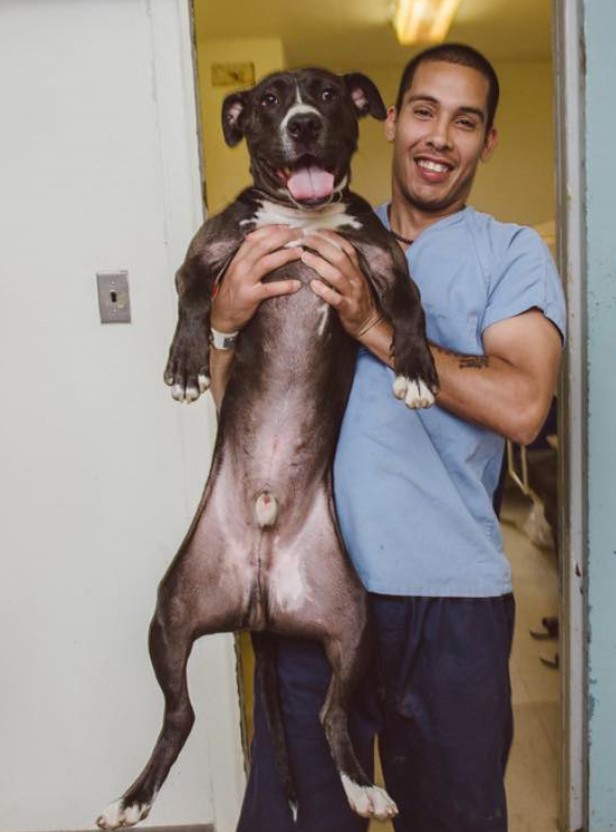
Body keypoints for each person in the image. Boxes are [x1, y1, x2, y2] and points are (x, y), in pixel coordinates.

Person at [208, 43, 565, 832]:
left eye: (466, 122)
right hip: (307, 590)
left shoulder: (510, 254)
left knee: (452, 821)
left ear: (487, 141)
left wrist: (377, 328)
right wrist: (225, 329)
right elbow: (242, 414)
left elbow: (524, 405)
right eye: (426, 113)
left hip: (449, 600)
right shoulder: (308, 236)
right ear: (391, 120)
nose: (440, 138)